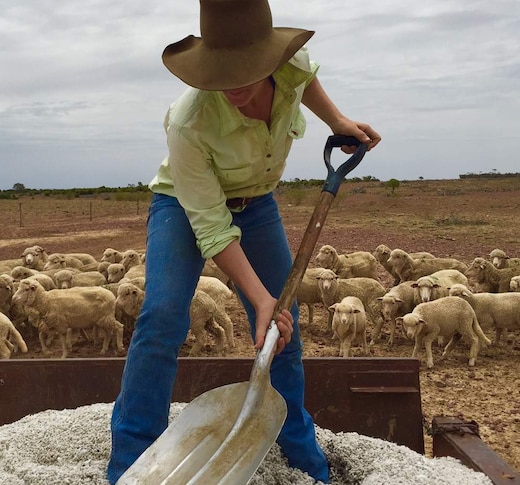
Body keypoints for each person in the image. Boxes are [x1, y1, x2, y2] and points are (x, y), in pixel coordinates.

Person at [107, 0, 381, 483]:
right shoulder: (188, 121)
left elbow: (305, 77)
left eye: (245, 73)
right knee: (163, 315)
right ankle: (130, 457)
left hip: (256, 203)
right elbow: (210, 225)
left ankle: (299, 450)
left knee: (284, 324)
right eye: (221, 74)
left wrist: (336, 122)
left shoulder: (288, 64)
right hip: (185, 205)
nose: (232, 87)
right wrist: (257, 298)